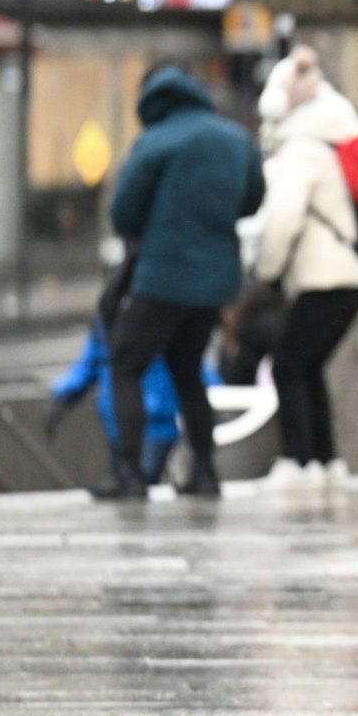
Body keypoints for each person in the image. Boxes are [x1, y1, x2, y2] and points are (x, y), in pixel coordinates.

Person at [92, 63, 264, 501]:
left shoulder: (155, 142)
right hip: (215, 284)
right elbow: (252, 200)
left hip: (162, 279)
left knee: (126, 364)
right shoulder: (236, 140)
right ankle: (204, 472)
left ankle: (128, 474)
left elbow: (122, 215)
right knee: (187, 371)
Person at [253, 46, 358, 489]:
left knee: (288, 365)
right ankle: (325, 462)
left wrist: (266, 270)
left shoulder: (302, 148)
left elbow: (283, 219)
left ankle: (298, 464)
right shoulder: (340, 132)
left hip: (326, 276)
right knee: (307, 364)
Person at [47, 316, 204, 485]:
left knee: (138, 480)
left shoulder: (158, 317)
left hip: (154, 423)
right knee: (127, 483)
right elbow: (89, 364)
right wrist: (61, 396)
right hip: (118, 425)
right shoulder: (106, 323)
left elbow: (188, 366)